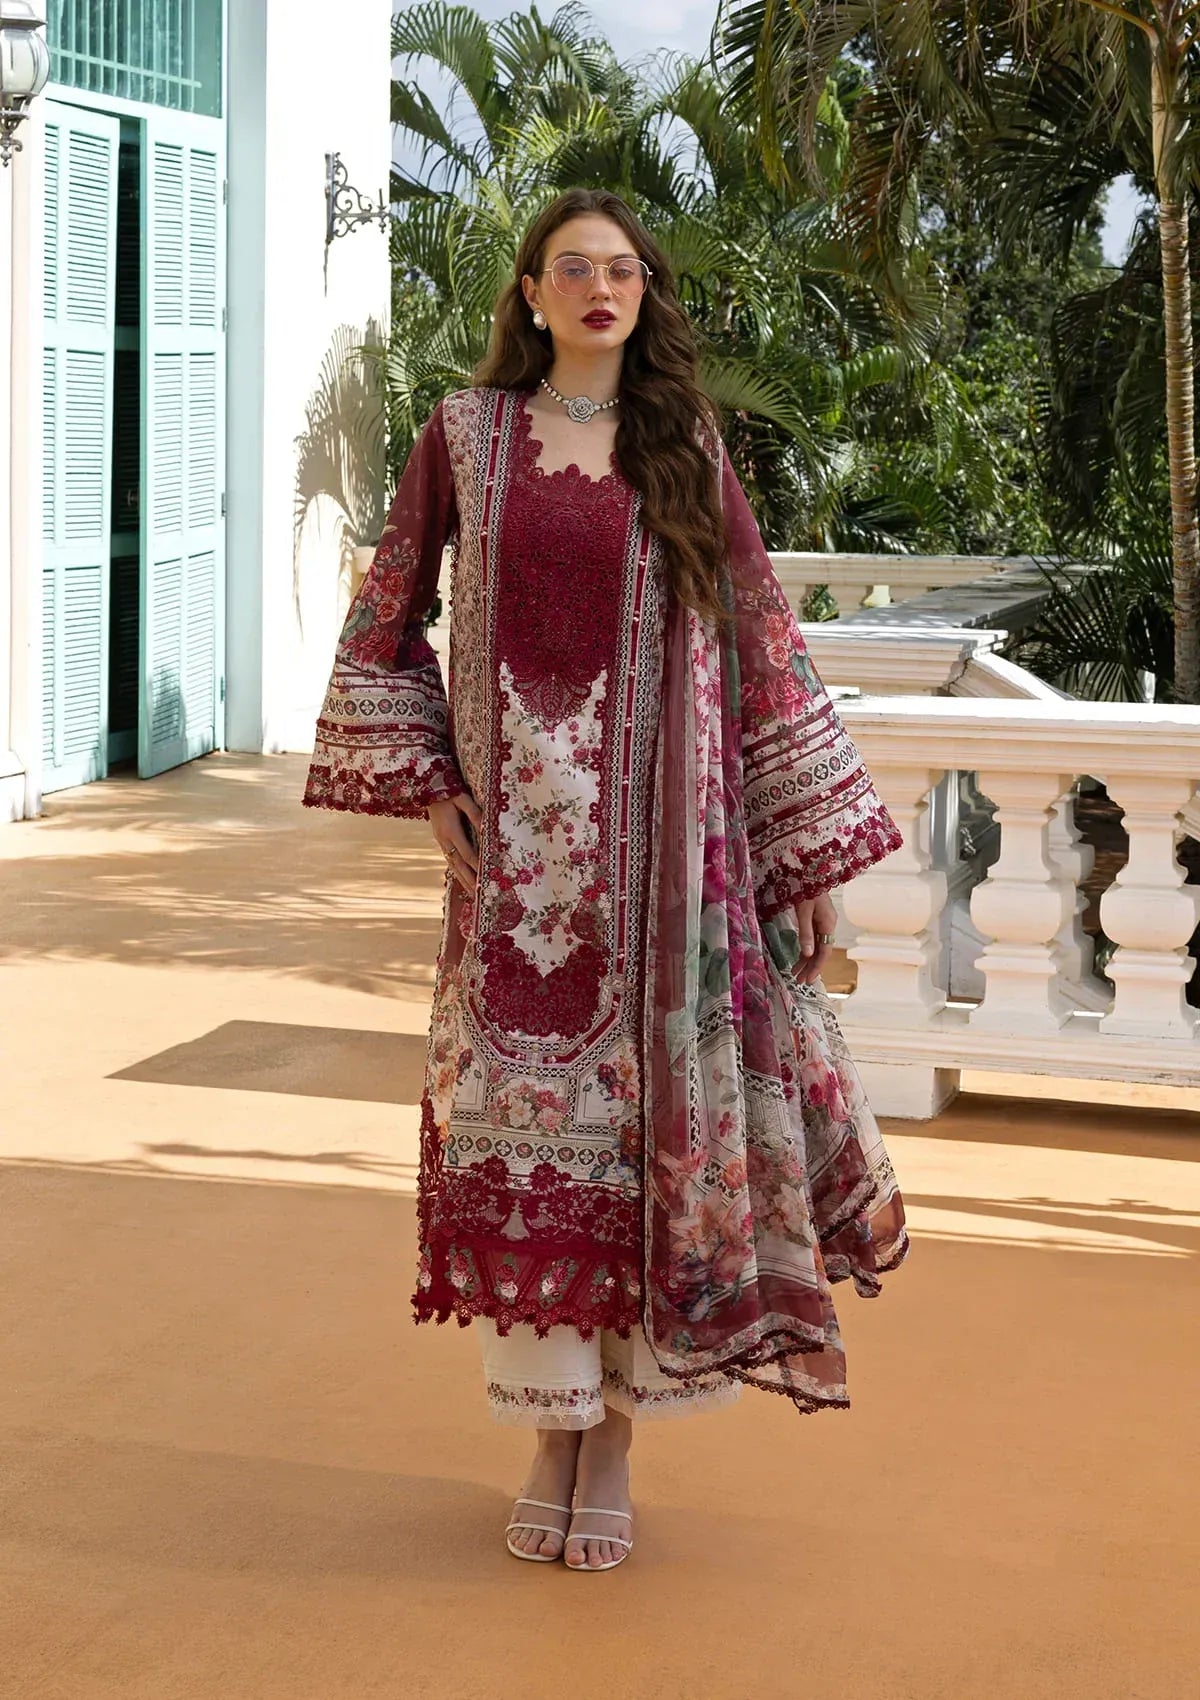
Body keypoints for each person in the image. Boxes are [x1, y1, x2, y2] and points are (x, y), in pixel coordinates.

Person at [303, 187, 910, 1573]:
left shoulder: (683, 441)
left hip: (672, 882)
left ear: (644, 296)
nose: (598, 287)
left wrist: (795, 851)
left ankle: (616, 1439)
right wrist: (429, 783)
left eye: (622, 269)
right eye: (571, 267)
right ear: (529, 294)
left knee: (651, 1151)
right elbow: (387, 613)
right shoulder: (464, 436)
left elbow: (759, 634)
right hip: (517, 875)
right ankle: (548, 1429)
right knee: (521, 1142)